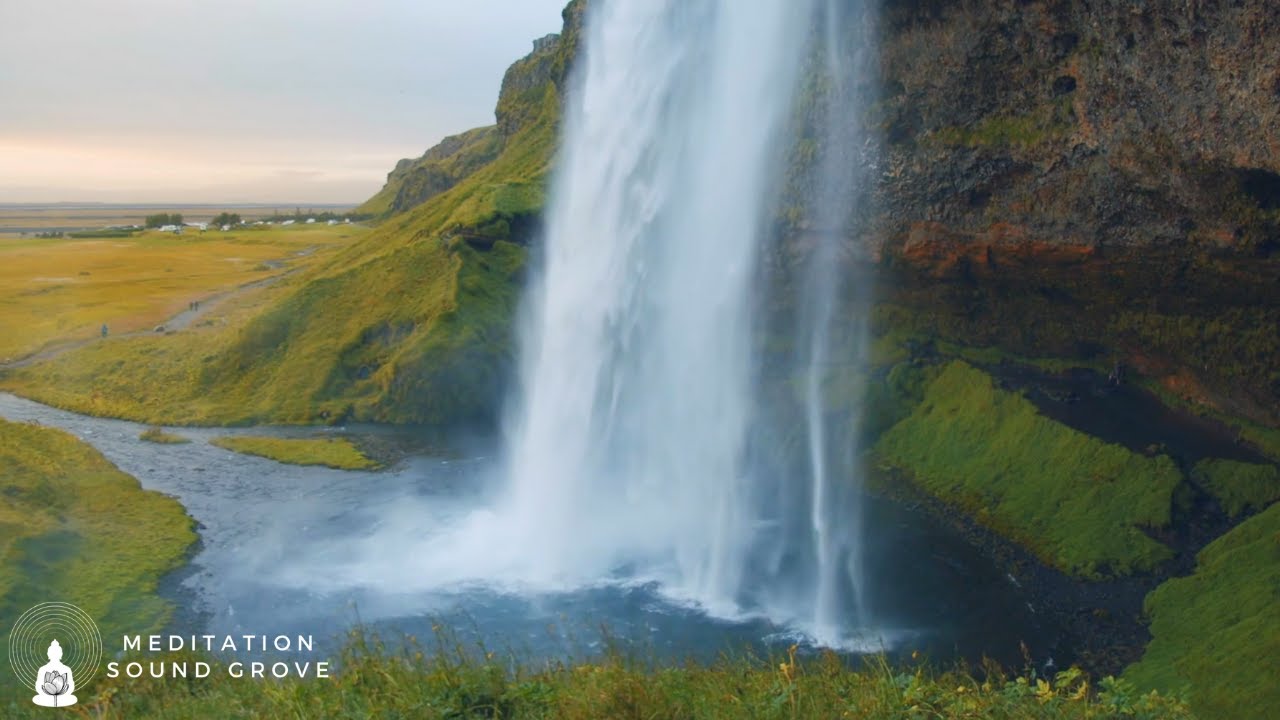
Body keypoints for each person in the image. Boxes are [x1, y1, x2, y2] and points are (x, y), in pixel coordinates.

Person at [32, 639, 77, 707]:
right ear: (48, 654)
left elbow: (70, 687)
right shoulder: (42, 669)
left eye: (56, 653)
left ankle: (55, 701)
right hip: (47, 697)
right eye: (53, 653)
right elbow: (39, 687)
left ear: (61, 654)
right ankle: (54, 701)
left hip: (62, 697)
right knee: (36, 698)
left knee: (73, 698)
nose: (55, 655)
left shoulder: (67, 669)